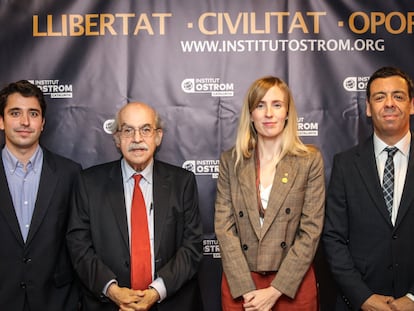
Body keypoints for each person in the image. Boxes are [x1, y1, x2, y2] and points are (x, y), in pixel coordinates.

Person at [66, 102, 204, 311]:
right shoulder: (88, 183)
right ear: (116, 139)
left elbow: (192, 245)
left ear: (158, 137)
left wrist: (156, 291)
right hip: (110, 304)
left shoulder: (182, 182)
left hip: (171, 302)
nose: (137, 139)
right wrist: (112, 290)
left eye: (145, 130)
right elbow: (78, 245)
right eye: (128, 130)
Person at [215, 76, 325, 311]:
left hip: (291, 284)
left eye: (277, 105)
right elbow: (224, 228)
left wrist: (275, 291)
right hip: (241, 284)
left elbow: (311, 231)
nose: (268, 114)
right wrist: (247, 289)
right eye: (260, 105)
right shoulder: (231, 161)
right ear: (251, 114)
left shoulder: (309, 160)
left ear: (287, 112)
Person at [323, 66, 414, 310]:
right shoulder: (344, 164)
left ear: (412, 105)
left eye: (398, 96)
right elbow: (333, 238)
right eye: (379, 97)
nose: (389, 104)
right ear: (367, 107)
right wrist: (362, 297)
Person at [0, 80, 81, 310]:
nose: (25, 122)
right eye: (15, 113)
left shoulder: (70, 173)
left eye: (33, 113)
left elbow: (79, 241)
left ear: (43, 123)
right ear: (1, 121)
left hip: (56, 302)